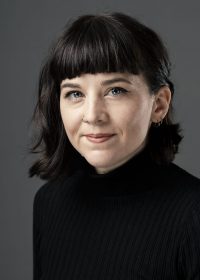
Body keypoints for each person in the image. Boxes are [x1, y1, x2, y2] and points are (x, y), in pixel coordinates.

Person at [29, 12, 200, 280]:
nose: (93, 115)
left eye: (115, 90)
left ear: (159, 104)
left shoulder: (193, 213)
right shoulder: (49, 203)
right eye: (75, 94)